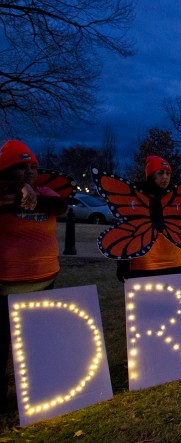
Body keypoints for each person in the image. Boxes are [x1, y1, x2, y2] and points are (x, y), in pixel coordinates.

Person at [0, 140, 68, 410]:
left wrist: (32, 194)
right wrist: (17, 193)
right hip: (6, 283)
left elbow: (59, 205)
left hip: (44, 280)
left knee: (37, 341)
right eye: (21, 167)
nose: (29, 172)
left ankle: (40, 388)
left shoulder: (45, 193)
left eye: (33, 167)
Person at [116, 156, 181, 281]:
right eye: (160, 173)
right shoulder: (136, 198)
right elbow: (125, 232)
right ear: (151, 175)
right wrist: (123, 263)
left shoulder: (175, 198)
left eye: (168, 173)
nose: (165, 177)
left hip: (174, 262)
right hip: (145, 264)